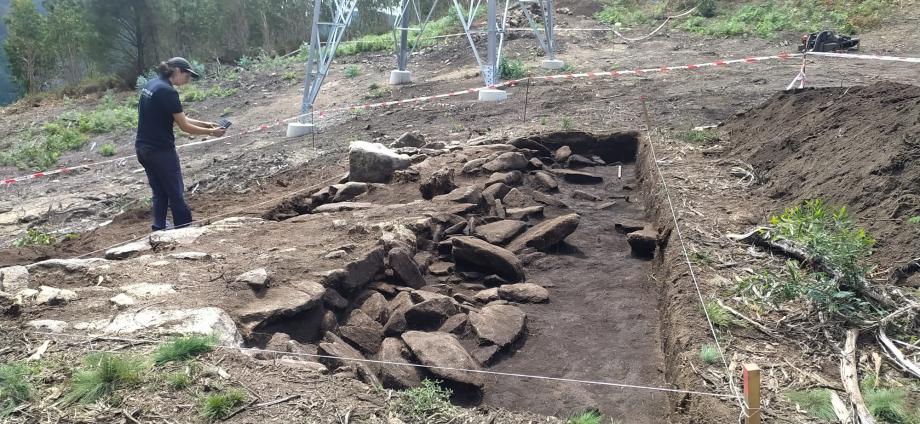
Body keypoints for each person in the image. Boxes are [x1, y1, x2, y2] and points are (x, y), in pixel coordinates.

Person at [135, 57, 226, 231]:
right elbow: (184, 126)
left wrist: (207, 124)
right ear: (177, 71)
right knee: (175, 191)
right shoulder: (168, 92)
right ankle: (184, 229)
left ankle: (159, 226)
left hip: (143, 148)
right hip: (161, 151)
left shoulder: (152, 85)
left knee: (159, 190)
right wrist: (211, 132)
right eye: (187, 75)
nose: (188, 80)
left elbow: (178, 118)